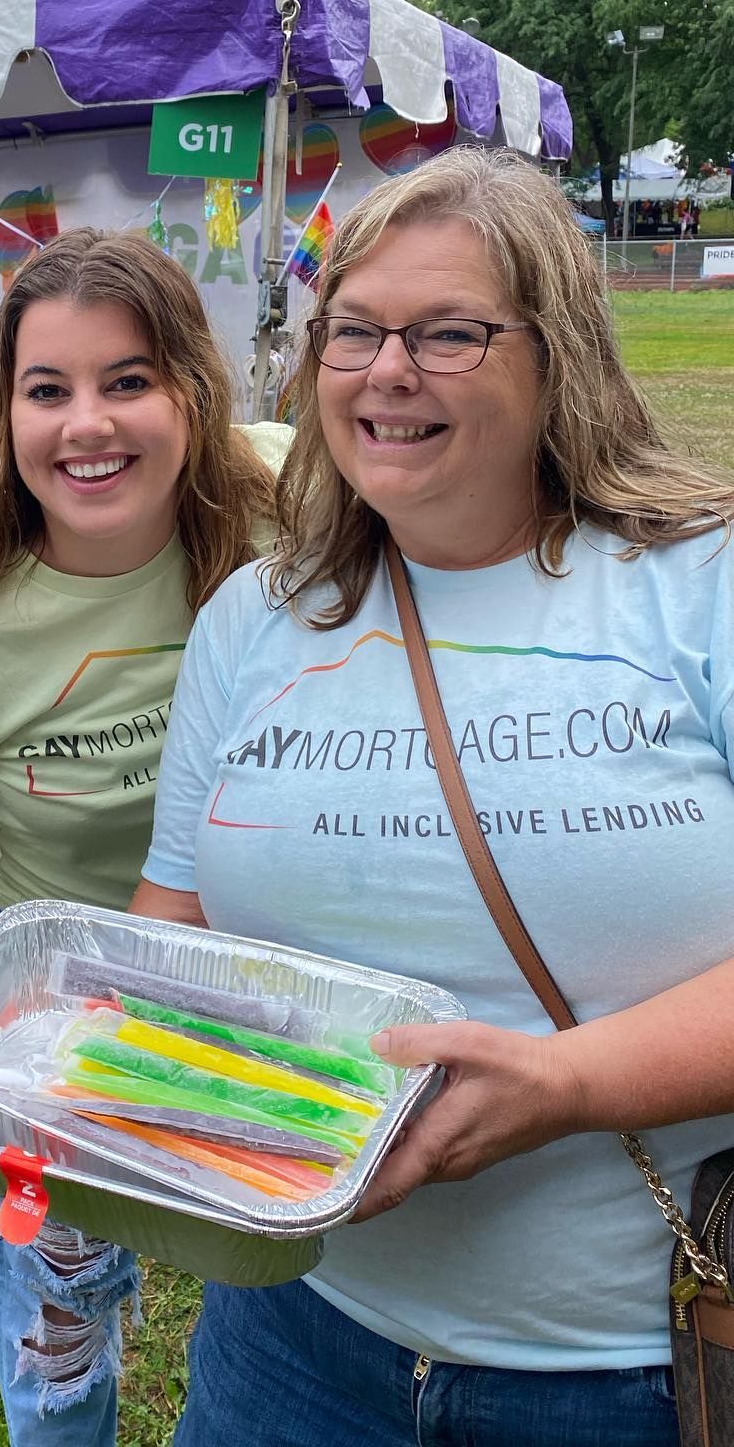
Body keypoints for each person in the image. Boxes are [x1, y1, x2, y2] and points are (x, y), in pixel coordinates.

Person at [133, 148, 734, 1447]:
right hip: (289, 1345)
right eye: (353, 331)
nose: (385, 371)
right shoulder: (252, 619)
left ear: (554, 352)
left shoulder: (705, 592)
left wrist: (566, 1084)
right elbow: (173, 919)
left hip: (630, 1379)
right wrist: (103, 1090)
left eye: (448, 333)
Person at [0, 228, 290, 1445]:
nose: (87, 423)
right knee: (66, 1295)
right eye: (48, 390)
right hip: (48, 966)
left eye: (128, 380)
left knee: (272, 1201)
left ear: (195, 394)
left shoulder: (285, 502)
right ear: (4, 414)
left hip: (250, 935)